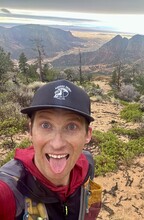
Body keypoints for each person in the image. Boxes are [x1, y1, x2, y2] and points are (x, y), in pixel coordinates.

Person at [0, 79, 102, 220]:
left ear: (87, 135)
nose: (57, 144)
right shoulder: (10, 188)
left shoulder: (87, 164)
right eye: (46, 125)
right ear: (30, 130)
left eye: (71, 127)